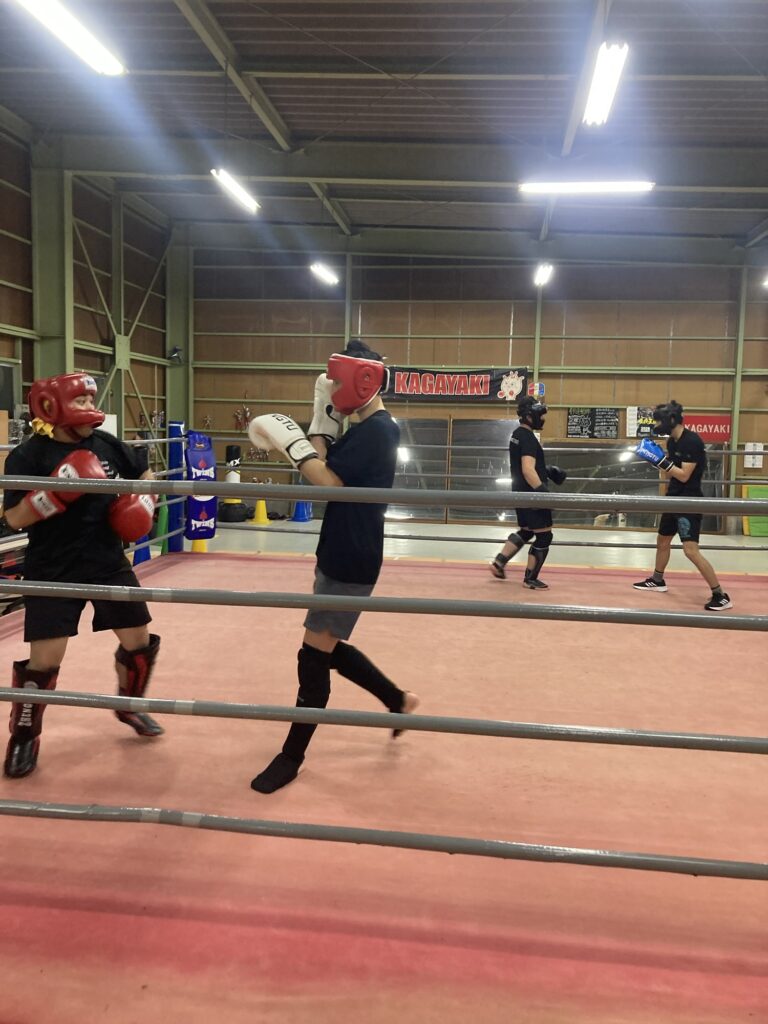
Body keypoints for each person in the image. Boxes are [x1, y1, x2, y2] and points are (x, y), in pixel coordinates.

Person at [247, 339, 420, 794]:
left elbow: (325, 481)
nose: (336, 389)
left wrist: (293, 444)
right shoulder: (363, 427)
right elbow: (326, 464)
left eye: (338, 383)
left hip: (352, 555)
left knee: (312, 657)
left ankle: (292, 755)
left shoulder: (378, 431)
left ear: (364, 379)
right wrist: (321, 420)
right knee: (327, 646)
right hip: (340, 548)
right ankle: (398, 700)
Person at [1, 372, 162, 778]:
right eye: (81, 400)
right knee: (43, 662)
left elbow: (146, 474)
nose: (91, 407)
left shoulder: (107, 444)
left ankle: (129, 706)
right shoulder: (28, 457)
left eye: (91, 399)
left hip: (108, 561)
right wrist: (53, 494)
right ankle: (24, 737)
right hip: (53, 567)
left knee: (139, 642)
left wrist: (143, 500)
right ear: (52, 407)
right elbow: (14, 518)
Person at [632, 400, 732, 611]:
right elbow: (672, 472)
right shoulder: (672, 442)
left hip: (689, 500)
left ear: (671, 419)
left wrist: (661, 461)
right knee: (663, 540)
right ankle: (657, 580)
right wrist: (657, 461)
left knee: (690, 551)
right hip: (674, 497)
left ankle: (720, 595)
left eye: (659, 421)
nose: (657, 425)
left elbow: (685, 475)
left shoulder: (692, 442)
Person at [489, 396, 567, 590]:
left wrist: (547, 471)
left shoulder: (517, 435)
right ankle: (530, 579)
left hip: (520, 494)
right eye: (540, 414)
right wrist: (544, 494)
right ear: (530, 416)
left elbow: (524, 465)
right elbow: (527, 470)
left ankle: (499, 563)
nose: (543, 418)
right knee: (544, 536)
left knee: (526, 531)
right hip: (532, 496)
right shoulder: (529, 438)